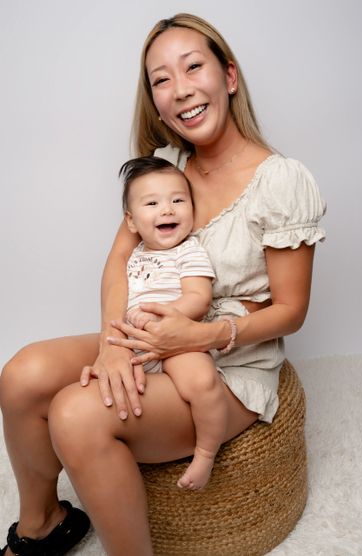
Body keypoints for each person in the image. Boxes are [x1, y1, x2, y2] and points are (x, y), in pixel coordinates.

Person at [0, 12, 326, 556]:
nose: (180, 89)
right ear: (154, 101)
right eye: (161, 78)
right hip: (150, 336)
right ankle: (45, 523)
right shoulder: (166, 166)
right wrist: (111, 345)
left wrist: (195, 337)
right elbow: (117, 260)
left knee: (75, 414)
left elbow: (291, 310)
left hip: (229, 360)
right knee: (21, 374)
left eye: (192, 66)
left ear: (228, 76)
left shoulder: (281, 180)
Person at [119, 154, 226, 491]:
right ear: (132, 221)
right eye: (152, 203)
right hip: (138, 343)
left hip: (179, 342)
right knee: (112, 388)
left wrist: (162, 314)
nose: (167, 210)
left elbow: (198, 298)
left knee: (203, 382)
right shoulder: (135, 254)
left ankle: (206, 452)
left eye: (178, 200)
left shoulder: (188, 251)